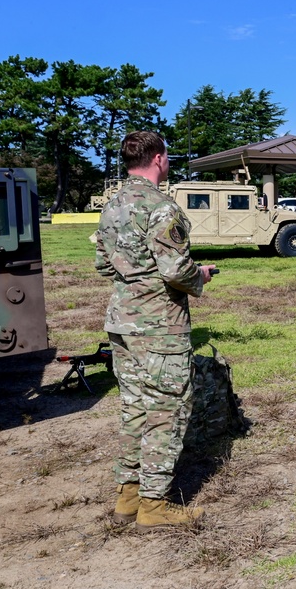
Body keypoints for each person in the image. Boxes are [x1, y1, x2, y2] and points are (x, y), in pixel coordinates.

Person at [95, 131, 216, 531]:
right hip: (159, 326)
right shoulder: (162, 208)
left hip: (122, 323)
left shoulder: (111, 207)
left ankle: (127, 497)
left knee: (134, 408)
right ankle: (153, 506)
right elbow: (174, 269)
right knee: (167, 408)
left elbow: (103, 263)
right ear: (160, 159)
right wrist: (200, 275)